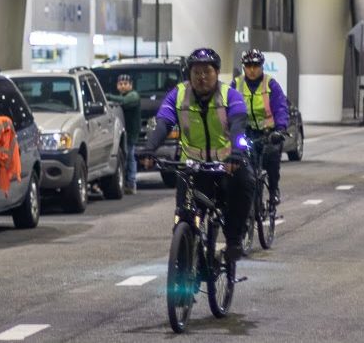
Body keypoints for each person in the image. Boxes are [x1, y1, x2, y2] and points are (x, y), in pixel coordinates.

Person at [140, 47, 254, 262]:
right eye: (196, 72)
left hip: (226, 164)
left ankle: (234, 241)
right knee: (184, 215)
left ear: (217, 73)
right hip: (192, 166)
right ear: (189, 74)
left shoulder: (230, 95)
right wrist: (149, 148)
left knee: (244, 184)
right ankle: (186, 255)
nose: (202, 77)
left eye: (207, 72)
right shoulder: (178, 95)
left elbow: (238, 125)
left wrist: (237, 153)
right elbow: (163, 123)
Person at [231, 48, 288, 205]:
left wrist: (280, 129)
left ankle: (274, 190)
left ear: (262, 66)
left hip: (268, 134)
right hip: (246, 132)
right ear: (244, 67)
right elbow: (226, 108)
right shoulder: (236, 84)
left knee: (272, 159)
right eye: (248, 66)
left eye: (255, 66)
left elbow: (280, 108)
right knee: (241, 164)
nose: (252, 70)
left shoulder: (270, 85)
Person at [106, 74, 141, 194]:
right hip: (123, 133)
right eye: (120, 84)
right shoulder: (120, 97)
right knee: (125, 157)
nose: (123, 86)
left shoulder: (133, 96)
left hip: (131, 133)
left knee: (130, 157)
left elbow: (125, 102)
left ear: (131, 85)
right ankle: (125, 183)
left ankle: (131, 183)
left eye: (125, 84)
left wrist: (108, 96)